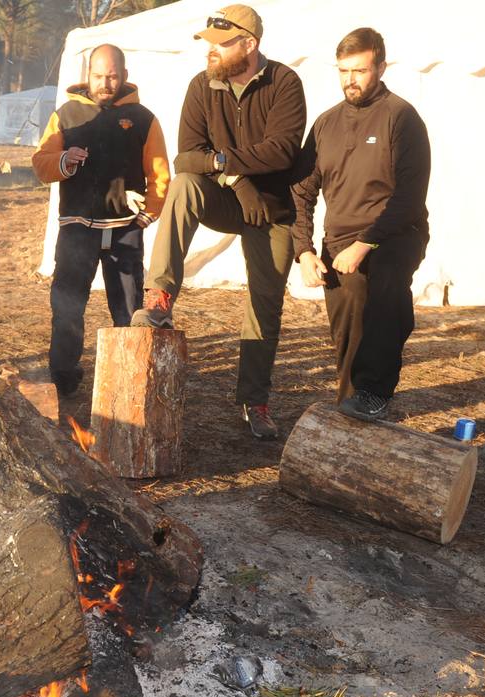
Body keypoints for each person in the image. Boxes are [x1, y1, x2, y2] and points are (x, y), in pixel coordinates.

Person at [132, 4, 306, 440]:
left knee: (265, 306)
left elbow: (282, 150)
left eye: (221, 44)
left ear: (249, 44)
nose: (210, 52)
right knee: (185, 185)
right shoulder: (201, 84)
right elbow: (185, 157)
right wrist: (236, 179)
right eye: (208, 44)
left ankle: (254, 401)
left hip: (273, 212)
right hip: (227, 200)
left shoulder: (284, 82)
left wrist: (228, 165)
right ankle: (160, 296)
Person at [292, 27, 431, 422]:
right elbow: (300, 192)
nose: (350, 80)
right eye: (343, 71)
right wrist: (303, 250)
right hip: (340, 236)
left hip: (397, 233)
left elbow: (409, 196)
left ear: (381, 67)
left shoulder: (402, 118)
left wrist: (366, 243)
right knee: (348, 313)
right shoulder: (325, 124)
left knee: (386, 289)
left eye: (360, 70)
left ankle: (374, 392)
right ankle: (352, 403)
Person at [32, 45, 170, 398]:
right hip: (76, 226)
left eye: (112, 76)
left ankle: (129, 380)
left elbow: (159, 171)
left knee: (126, 307)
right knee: (67, 306)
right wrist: (63, 159)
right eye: (98, 75)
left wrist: (149, 212)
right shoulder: (67, 114)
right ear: (87, 75)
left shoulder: (142, 118)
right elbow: (41, 163)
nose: (105, 83)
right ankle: (62, 378)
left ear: (123, 75)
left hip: (124, 228)